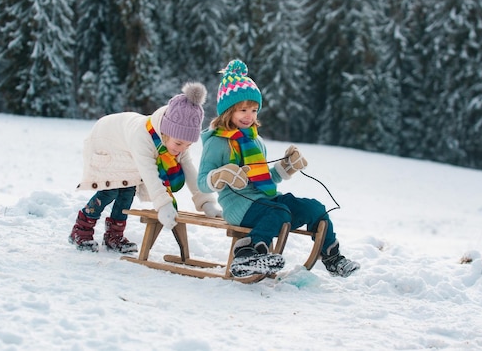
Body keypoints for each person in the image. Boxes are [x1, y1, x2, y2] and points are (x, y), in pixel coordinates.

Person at [197, 60, 360, 278]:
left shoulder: (256, 141)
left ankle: (332, 257)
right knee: (280, 212)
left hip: (266, 200)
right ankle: (248, 254)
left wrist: (285, 168)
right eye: (243, 109)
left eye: (254, 110)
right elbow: (202, 181)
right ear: (228, 111)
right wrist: (220, 176)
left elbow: (264, 178)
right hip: (238, 207)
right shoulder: (217, 143)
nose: (249, 115)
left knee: (314, 207)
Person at [69, 82, 221, 253]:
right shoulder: (143, 137)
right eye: (179, 143)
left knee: (128, 190)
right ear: (165, 132)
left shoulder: (177, 141)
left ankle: (114, 235)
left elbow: (189, 169)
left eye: (188, 145)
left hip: (126, 144)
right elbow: (149, 174)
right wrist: (163, 204)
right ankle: (81, 229)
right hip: (107, 140)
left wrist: (206, 202)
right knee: (111, 189)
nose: (182, 149)